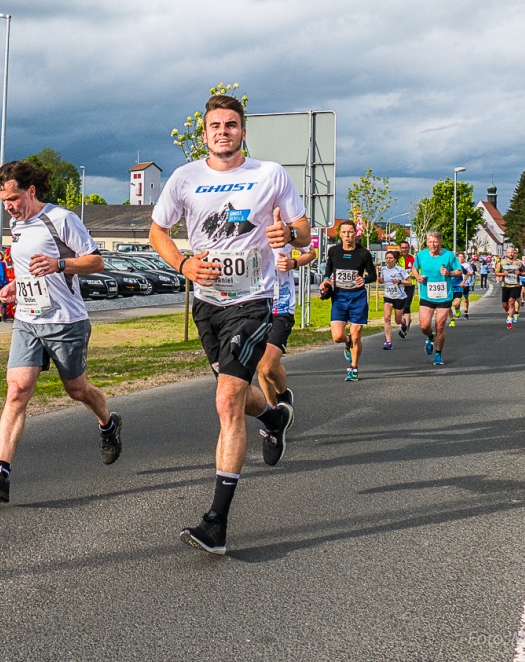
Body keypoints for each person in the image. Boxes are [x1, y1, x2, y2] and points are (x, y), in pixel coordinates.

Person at [149, 93, 310, 555]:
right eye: (215, 125)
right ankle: (276, 415)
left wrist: (288, 234)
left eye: (232, 125)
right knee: (237, 394)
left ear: (243, 131)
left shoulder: (269, 174)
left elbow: (302, 229)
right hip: (207, 305)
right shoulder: (185, 178)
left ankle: (216, 522)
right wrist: (182, 264)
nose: (223, 131)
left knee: (226, 402)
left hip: (252, 302)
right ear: (205, 134)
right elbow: (157, 230)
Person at [0, 160, 121, 504]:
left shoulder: (61, 219)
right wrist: (13, 287)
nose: (9, 207)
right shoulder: (15, 224)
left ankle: (108, 425)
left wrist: (59, 264)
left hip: (66, 321)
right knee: (17, 390)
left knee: (77, 390)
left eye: (14, 199)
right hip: (27, 319)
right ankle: (1, 473)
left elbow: (96, 262)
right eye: (4, 201)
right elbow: (27, 268)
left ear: (31, 191)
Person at [256, 242, 316, 464]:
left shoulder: (287, 230)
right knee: (260, 367)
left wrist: (293, 262)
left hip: (281, 307)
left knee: (268, 365)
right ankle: (274, 418)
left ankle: (283, 397)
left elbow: (311, 252)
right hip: (253, 306)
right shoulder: (245, 225)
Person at [319, 220, 377, 381]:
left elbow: (373, 275)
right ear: (340, 234)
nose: (347, 236)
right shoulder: (334, 251)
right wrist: (325, 281)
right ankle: (347, 342)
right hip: (339, 297)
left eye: (350, 232)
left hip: (357, 297)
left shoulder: (363, 253)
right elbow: (328, 272)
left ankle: (354, 368)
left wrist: (364, 280)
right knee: (337, 336)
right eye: (344, 232)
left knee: (356, 334)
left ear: (355, 233)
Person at [413, 231, 462, 365]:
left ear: (440, 242)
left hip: (444, 296)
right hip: (426, 295)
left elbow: (459, 271)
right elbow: (414, 267)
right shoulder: (421, 255)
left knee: (440, 326)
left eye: (435, 242)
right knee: (424, 326)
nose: (432, 244)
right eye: (430, 242)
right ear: (426, 243)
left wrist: (449, 273)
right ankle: (430, 337)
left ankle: (438, 354)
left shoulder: (448, 255)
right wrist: (417, 277)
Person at [379, 250, 411, 349]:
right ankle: (388, 342)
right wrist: (380, 281)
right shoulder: (383, 269)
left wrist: (400, 281)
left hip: (399, 296)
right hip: (388, 296)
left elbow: (409, 282)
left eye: (390, 258)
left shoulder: (400, 269)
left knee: (397, 320)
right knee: (387, 318)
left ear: (395, 260)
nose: (388, 260)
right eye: (387, 258)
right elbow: (382, 281)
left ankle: (404, 323)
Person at [495, 246, 525, 329]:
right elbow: (496, 273)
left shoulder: (518, 263)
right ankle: (508, 310)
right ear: (506, 253)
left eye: (512, 252)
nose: (511, 254)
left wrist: (520, 273)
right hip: (505, 285)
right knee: (505, 305)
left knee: (511, 302)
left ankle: (510, 321)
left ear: (514, 253)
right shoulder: (502, 262)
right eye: (509, 252)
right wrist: (502, 274)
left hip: (515, 285)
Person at [397, 240, 417, 338]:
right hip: (399, 285)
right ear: (400, 248)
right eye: (403, 248)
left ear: (409, 248)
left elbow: (418, 269)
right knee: (399, 307)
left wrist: (415, 275)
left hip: (410, 285)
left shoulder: (412, 258)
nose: (404, 249)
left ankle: (404, 329)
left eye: (406, 248)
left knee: (406, 305)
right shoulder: (397, 259)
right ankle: (405, 323)